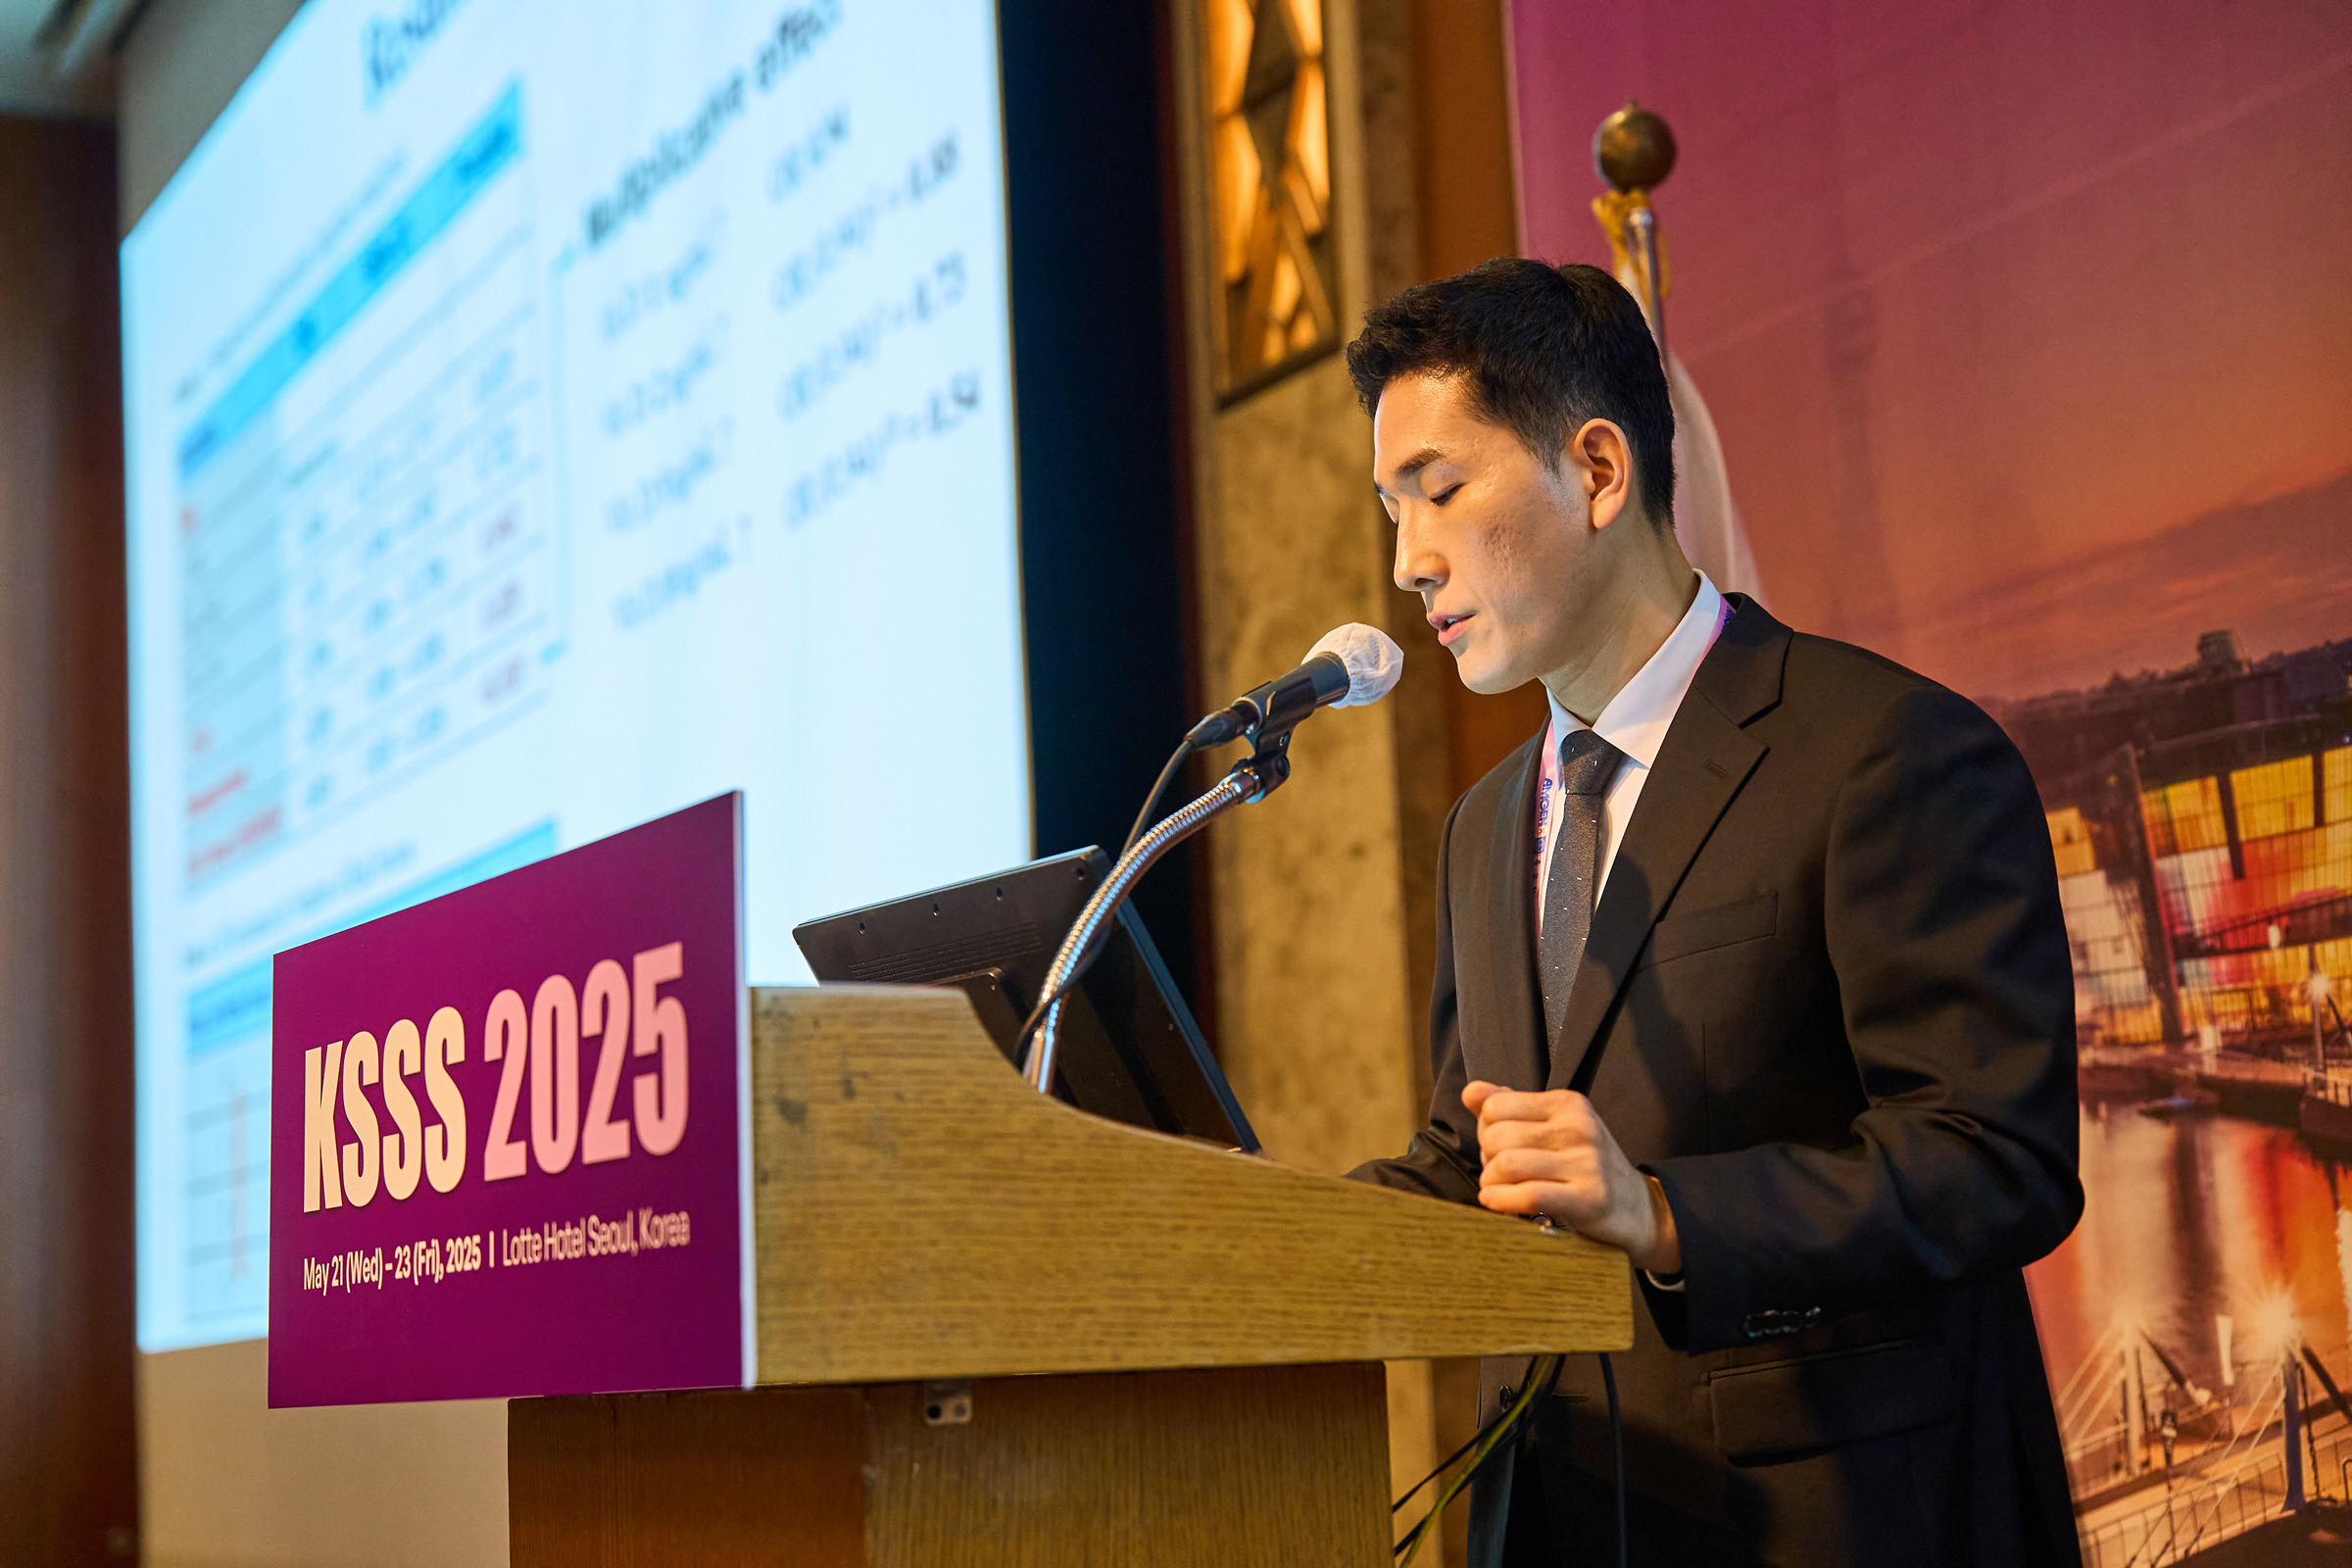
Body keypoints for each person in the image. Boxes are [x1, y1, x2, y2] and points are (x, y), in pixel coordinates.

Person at [1346, 259, 2082, 1566]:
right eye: (1391, 509)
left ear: (1598, 470)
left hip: (1830, 1522)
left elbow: (1992, 1158)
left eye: (1440, 490)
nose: (1409, 563)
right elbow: (1477, 1156)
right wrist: (1242, 1229)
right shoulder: (1484, 826)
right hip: (1560, 1514)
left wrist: (1667, 1212)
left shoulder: (1883, 752)